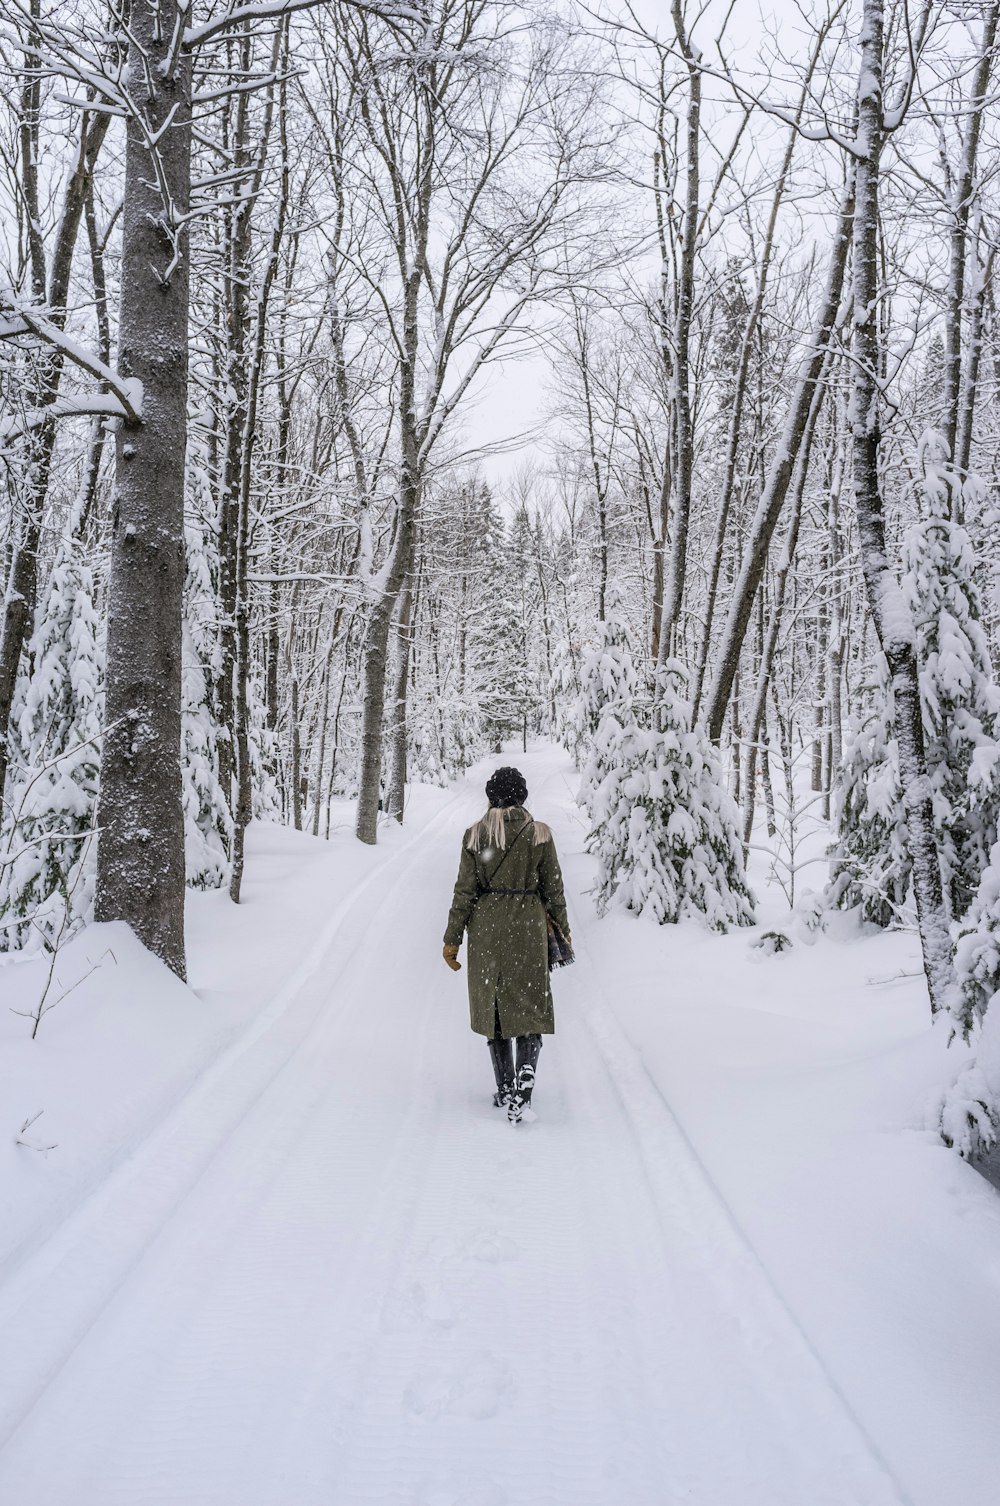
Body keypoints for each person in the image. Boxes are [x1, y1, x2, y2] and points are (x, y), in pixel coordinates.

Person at [443, 766, 570, 1123]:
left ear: (490, 796)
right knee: (528, 1004)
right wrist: (563, 928)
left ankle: (505, 1086)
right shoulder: (539, 834)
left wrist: (452, 939)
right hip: (528, 927)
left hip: (486, 930)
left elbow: (464, 892)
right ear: (522, 797)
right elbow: (554, 889)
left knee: (495, 1008)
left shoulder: (475, 835)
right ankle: (526, 1076)